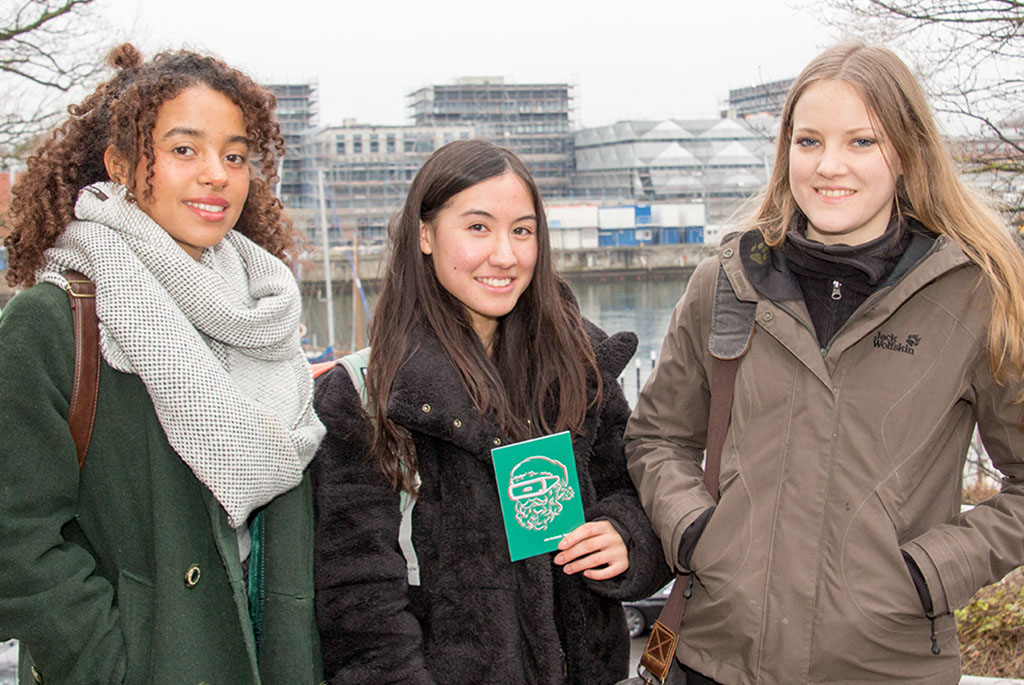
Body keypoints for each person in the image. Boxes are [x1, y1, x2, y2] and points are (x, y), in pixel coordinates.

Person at [625, 42, 1024, 685]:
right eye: (808, 141)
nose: (829, 165)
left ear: (908, 150)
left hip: (884, 666)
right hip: (714, 658)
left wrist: (933, 570)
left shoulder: (977, 299)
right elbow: (657, 437)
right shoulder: (725, 284)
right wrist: (695, 532)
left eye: (862, 141)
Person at [0, 44, 325, 683]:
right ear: (120, 163)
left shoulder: (263, 311)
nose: (217, 174)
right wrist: (109, 664)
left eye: (235, 155)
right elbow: (18, 538)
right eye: (184, 150)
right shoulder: (54, 321)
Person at [313, 139, 670, 684]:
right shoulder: (366, 394)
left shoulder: (578, 365)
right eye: (478, 227)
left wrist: (626, 534)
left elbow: (637, 488)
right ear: (425, 235)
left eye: (522, 231)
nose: (505, 254)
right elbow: (359, 600)